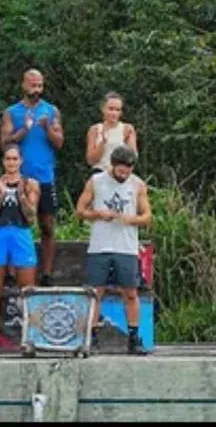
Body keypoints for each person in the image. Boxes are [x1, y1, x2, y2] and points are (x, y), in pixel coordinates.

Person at [76, 145, 152, 355]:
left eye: (128, 171)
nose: (124, 175)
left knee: (130, 292)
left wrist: (131, 219)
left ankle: (134, 338)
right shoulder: (96, 181)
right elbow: (80, 210)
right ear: (112, 165)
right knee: (95, 292)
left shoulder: (137, 184)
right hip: (100, 245)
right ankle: (92, 337)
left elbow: (147, 216)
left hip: (126, 246)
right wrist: (99, 214)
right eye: (120, 171)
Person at [0, 69, 64, 287]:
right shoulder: (12, 112)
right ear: (23, 85)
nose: (36, 89)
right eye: (32, 85)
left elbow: (59, 142)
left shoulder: (51, 110)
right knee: (15, 224)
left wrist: (47, 128)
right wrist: (23, 130)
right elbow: (4, 143)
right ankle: (11, 273)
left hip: (45, 175)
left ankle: (46, 273)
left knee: (47, 225)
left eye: (40, 85)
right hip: (18, 176)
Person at [0, 146, 40, 356]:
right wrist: (2, 194)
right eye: (8, 159)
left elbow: (31, 216)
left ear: (21, 161)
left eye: (15, 159)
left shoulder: (30, 183)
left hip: (21, 233)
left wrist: (20, 195)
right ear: (3, 161)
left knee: (27, 290)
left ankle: (30, 338)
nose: (11, 163)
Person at [85, 92, 138, 174]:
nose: (114, 113)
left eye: (117, 110)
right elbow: (91, 161)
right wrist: (103, 142)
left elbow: (132, 158)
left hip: (119, 174)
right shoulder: (95, 129)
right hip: (99, 172)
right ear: (103, 109)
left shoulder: (127, 129)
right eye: (111, 109)